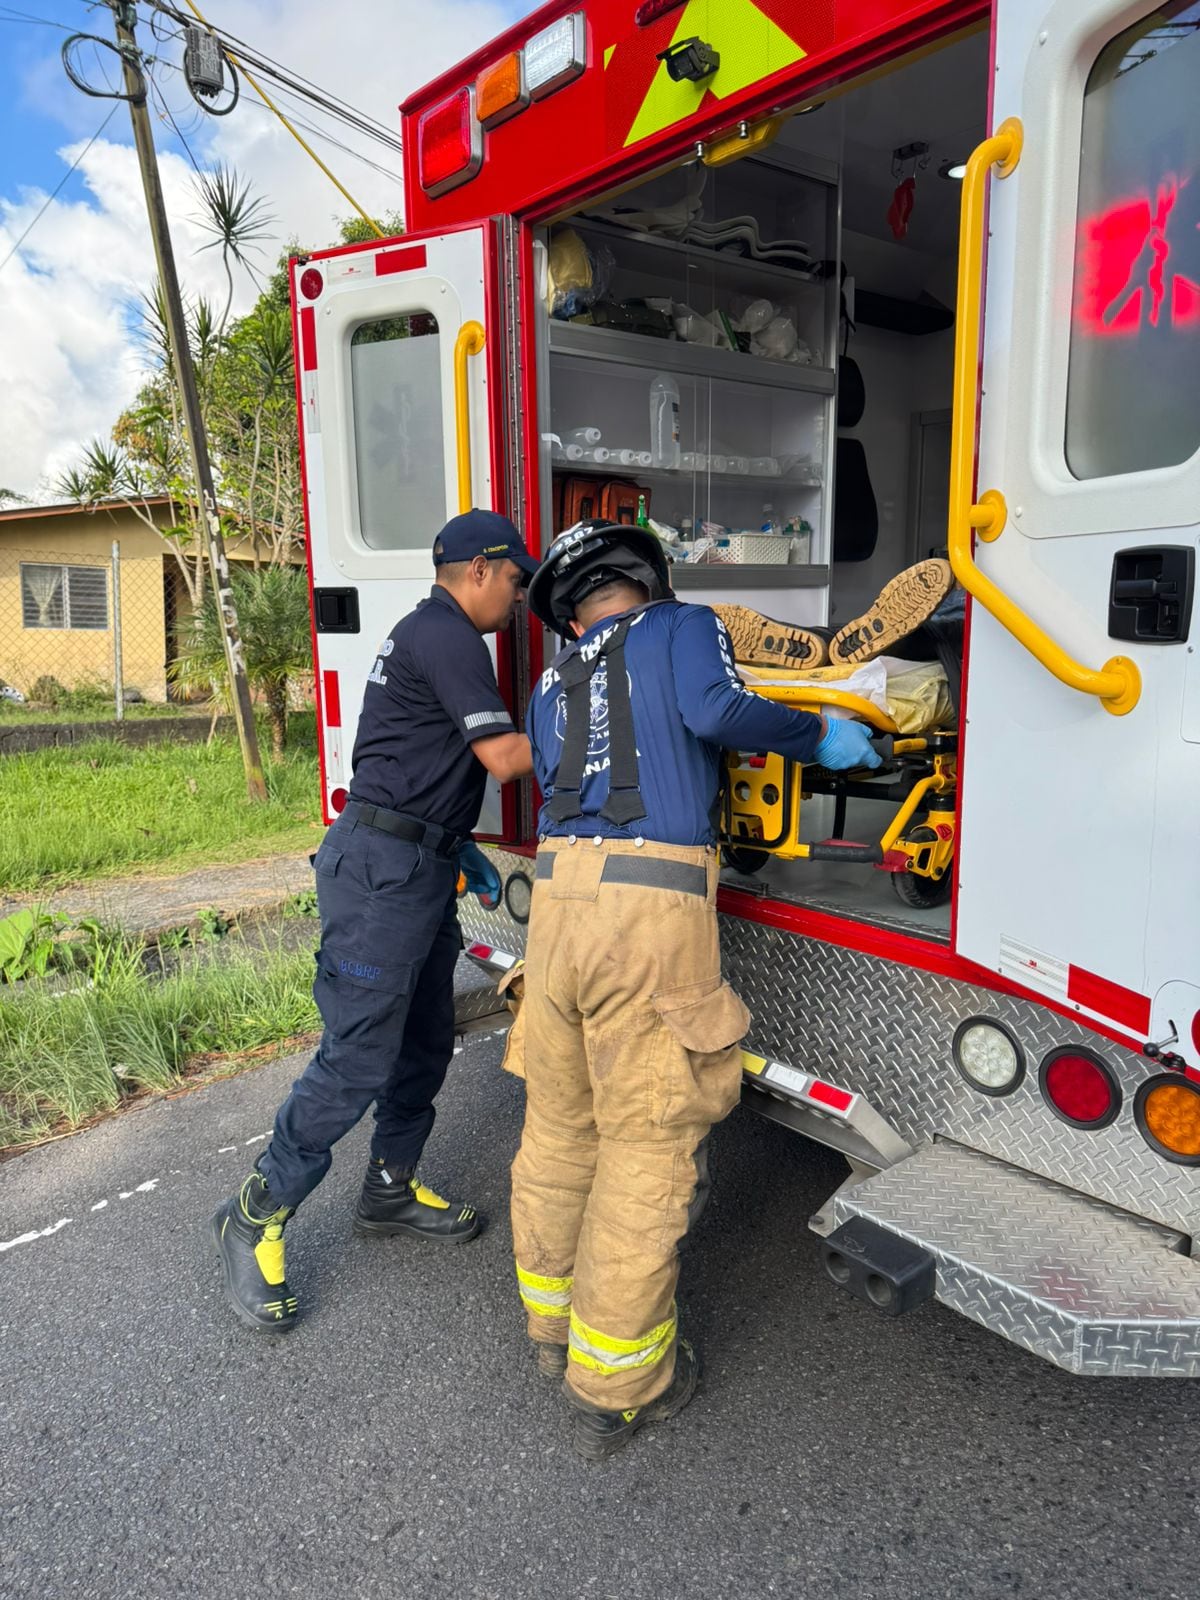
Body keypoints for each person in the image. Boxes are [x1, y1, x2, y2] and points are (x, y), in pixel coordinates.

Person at [507, 521, 882, 1461]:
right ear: (647, 580)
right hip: (646, 910)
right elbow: (715, 712)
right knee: (645, 1146)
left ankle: (552, 1331)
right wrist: (822, 737)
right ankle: (620, 1385)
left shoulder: (550, 683)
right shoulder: (683, 625)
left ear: (571, 613)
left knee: (559, 1128)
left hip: (555, 905)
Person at [211, 509, 536, 1333]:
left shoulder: (433, 632)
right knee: (356, 1056)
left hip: (416, 864)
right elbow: (504, 759)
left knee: (424, 1038)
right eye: (514, 579)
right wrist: (608, 733)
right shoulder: (449, 636)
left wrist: (455, 845)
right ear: (478, 570)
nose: (519, 596)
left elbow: (424, 761)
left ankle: (389, 1187)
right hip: (381, 876)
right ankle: (255, 1212)